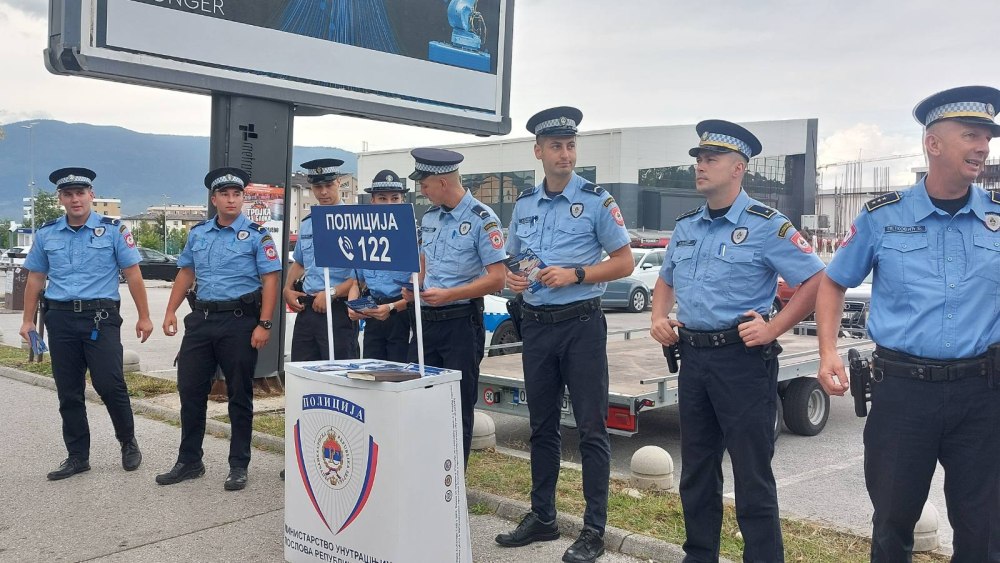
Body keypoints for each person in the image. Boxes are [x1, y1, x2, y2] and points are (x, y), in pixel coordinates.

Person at [815, 86, 1000, 562]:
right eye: (971, 135)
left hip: (982, 393)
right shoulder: (883, 216)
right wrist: (828, 351)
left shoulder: (997, 218)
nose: (983, 146)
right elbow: (833, 282)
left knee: (984, 530)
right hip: (902, 393)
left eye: (987, 137)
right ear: (933, 144)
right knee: (893, 524)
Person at [649, 120, 825, 562]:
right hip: (693, 359)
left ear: (738, 168)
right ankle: (699, 555)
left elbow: (816, 280)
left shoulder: (767, 225)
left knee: (752, 475)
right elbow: (666, 279)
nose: (700, 166)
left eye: (711, 159)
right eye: (699, 159)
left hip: (742, 362)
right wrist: (658, 316)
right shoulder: (687, 226)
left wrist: (773, 327)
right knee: (697, 471)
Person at [495, 107, 633, 563]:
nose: (566, 154)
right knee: (542, 426)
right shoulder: (524, 204)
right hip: (537, 326)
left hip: (581, 326)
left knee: (591, 428)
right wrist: (513, 279)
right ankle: (543, 517)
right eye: (556, 146)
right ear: (539, 152)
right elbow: (512, 261)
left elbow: (624, 262)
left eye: (571, 145)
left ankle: (594, 530)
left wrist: (576, 273)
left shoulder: (596, 201)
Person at [19, 167, 153, 480]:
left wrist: (145, 316)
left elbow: (133, 274)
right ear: (60, 199)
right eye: (68, 194)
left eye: (80, 193)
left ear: (91, 195)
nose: (75, 199)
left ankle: (127, 441)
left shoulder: (114, 230)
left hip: (100, 318)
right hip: (60, 318)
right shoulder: (47, 233)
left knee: (109, 383)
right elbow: (36, 277)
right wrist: (27, 321)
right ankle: (77, 456)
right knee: (69, 391)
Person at [156, 167, 281, 491]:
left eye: (236, 194)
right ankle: (189, 461)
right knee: (190, 391)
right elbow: (186, 273)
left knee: (239, 394)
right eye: (224, 194)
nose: (231, 199)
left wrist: (264, 323)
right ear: (214, 199)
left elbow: (270, 280)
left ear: (242, 198)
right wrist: (170, 310)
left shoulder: (257, 235)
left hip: (239, 322)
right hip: (201, 320)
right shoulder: (199, 233)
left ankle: (238, 465)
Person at [403, 147, 506, 467]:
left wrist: (450, 294)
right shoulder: (430, 217)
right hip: (426, 321)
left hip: (460, 322)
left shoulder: (482, 219)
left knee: (456, 406)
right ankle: (422, 471)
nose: (422, 190)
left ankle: (453, 479)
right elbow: (423, 265)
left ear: (443, 182)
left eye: (425, 184)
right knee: (417, 397)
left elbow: (498, 278)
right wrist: (414, 286)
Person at [283, 158, 359, 361]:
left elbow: (361, 276)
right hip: (308, 308)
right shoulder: (308, 223)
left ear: (339, 183)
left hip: (338, 309)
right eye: (318, 187)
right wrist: (287, 289)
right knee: (302, 372)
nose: (323, 192)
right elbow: (300, 262)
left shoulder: (354, 221)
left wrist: (332, 293)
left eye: (328, 185)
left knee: (339, 373)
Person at [346, 170, 415, 362]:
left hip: (401, 314)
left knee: (399, 372)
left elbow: (418, 290)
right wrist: (352, 306)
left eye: (395, 198)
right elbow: (356, 282)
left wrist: (391, 307)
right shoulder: (364, 237)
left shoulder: (412, 237)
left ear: (403, 201)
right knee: (371, 369)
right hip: (373, 312)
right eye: (383, 198)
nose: (389, 204)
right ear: (373, 201)